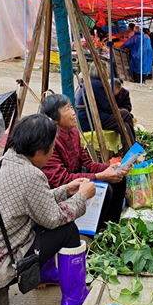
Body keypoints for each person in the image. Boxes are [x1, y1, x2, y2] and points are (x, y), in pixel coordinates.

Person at [0, 114, 96, 305]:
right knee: (68, 229)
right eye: (51, 149)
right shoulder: (31, 175)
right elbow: (53, 218)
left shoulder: (4, 161)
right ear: (37, 151)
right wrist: (81, 197)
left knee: (41, 221)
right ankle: (74, 299)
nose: (52, 152)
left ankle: (46, 276)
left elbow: (34, 201)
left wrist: (67, 190)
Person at [40, 94, 128, 231]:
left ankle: (111, 229)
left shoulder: (73, 133)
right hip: (61, 189)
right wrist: (99, 177)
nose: (74, 113)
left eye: (71, 107)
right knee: (105, 190)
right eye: (67, 109)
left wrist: (110, 168)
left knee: (119, 180)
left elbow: (87, 163)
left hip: (77, 179)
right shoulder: (49, 141)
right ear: (55, 119)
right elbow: (60, 180)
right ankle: (95, 232)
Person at [76, 64, 137, 147]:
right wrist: (117, 110)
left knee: (124, 125)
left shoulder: (89, 82)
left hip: (88, 118)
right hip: (91, 120)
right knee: (125, 113)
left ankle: (129, 148)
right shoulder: (98, 85)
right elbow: (108, 107)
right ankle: (133, 145)